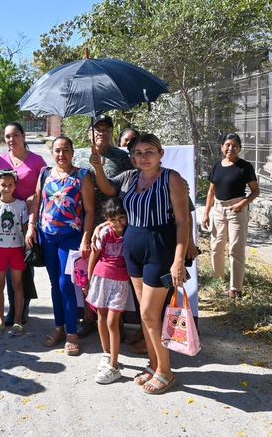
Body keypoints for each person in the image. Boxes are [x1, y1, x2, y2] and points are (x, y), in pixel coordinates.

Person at [92, 133, 190, 394]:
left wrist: (179, 259)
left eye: (149, 152)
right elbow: (108, 190)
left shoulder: (172, 179)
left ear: (160, 154)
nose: (143, 157)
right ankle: (155, 364)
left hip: (160, 248)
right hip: (133, 247)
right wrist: (97, 166)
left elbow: (183, 222)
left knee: (148, 312)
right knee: (146, 314)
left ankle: (166, 373)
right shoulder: (131, 178)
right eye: (138, 153)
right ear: (131, 157)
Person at [26, 135, 95, 356]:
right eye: (57, 150)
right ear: (52, 152)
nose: (61, 154)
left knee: (67, 284)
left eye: (65, 150)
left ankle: (72, 333)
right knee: (55, 283)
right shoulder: (45, 173)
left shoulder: (82, 176)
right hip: (47, 236)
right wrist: (31, 226)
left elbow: (90, 210)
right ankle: (59, 327)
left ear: (73, 152)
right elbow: (37, 201)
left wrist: (86, 237)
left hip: (71, 237)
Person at [73, 114, 133, 337]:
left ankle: (117, 323)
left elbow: (122, 189)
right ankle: (89, 318)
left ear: (112, 132)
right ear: (90, 132)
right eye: (98, 129)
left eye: (107, 129)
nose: (102, 133)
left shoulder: (123, 157)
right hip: (87, 222)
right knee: (88, 273)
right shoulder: (79, 156)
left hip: (116, 224)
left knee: (117, 273)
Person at [0, 122, 47, 326]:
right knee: (9, 265)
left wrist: (34, 198)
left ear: (23, 136)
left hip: (29, 219)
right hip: (7, 221)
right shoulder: (1, 160)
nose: (11, 139)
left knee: (25, 263)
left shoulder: (36, 161)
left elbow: (43, 187)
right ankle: (12, 307)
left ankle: (23, 306)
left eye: (15, 135)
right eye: (7, 136)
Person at [202, 133, 259, 298]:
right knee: (216, 247)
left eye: (234, 145)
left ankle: (236, 289)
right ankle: (218, 281)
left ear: (240, 148)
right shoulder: (217, 166)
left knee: (236, 248)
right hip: (218, 209)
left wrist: (242, 204)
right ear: (222, 147)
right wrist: (206, 213)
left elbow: (255, 191)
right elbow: (211, 191)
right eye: (227, 145)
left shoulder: (245, 167)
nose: (230, 148)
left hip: (237, 210)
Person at [85, 197, 130, 384]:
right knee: (101, 316)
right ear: (107, 219)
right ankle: (106, 353)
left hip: (121, 281)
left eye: (121, 218)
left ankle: (114, 364)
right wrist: (88, 281)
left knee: (113, 321)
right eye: (113, 220)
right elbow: (94, 256)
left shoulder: (131, 232)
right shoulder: (104, 232)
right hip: (101, 278)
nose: (118, 224)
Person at [0, 170, 28, 336]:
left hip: (17, 248)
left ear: (15, 186)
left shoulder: (21, 205)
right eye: (3, 185)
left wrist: (27, 248)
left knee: (17, 285)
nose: (6, 188)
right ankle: (0, 320)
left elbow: (25, 229)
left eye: (10, 185)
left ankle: (18, 320)